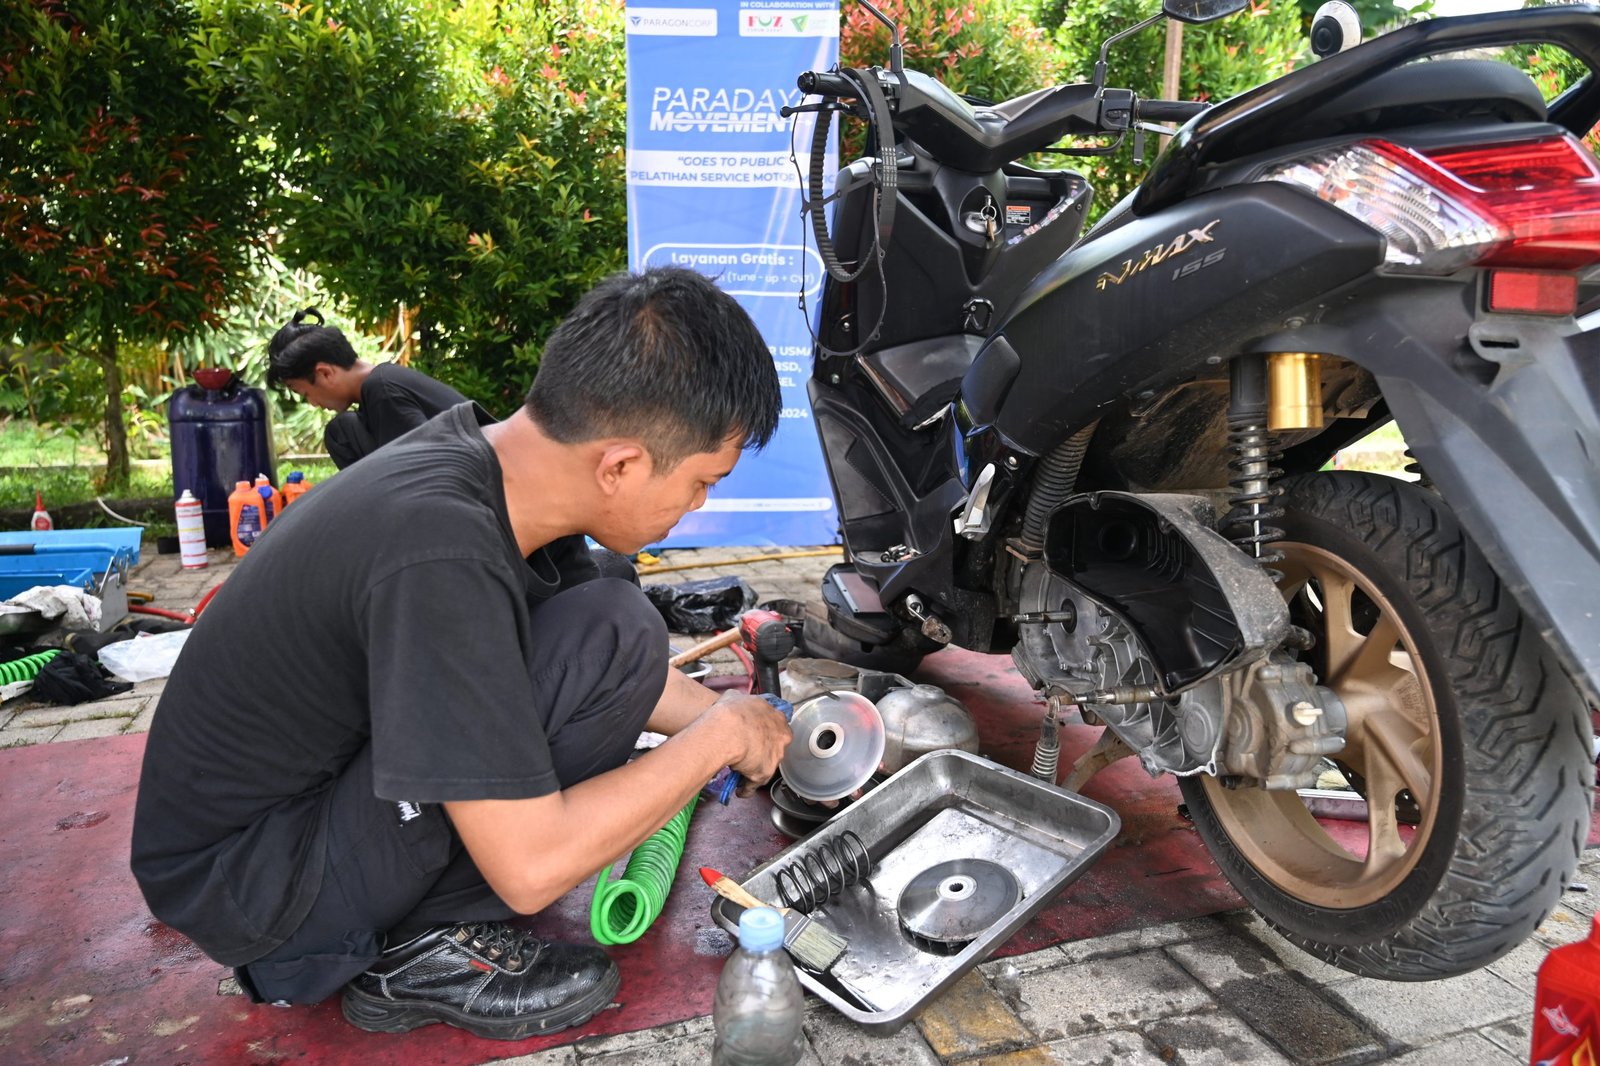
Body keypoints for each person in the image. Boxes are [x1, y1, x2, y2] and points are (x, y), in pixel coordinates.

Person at [131, 267, 793, 1041]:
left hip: (305, 808)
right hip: (262, 888)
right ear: (619, 465)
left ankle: (414, 896)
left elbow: (617, 669)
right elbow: (533, 868)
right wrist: (719, 740)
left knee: (615, 623)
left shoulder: (493, 467)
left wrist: (747, 720)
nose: (699, 506)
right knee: (598, 682)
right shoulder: (439, 550)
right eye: (703, 482)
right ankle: (416, 951)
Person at [266, 308, 469, 468]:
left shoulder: (383, 391)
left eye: (306, 394)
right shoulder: (379, 385)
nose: (313, 403)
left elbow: (422, 472)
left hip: (481, 488)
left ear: (325, 373)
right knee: (341, 431)